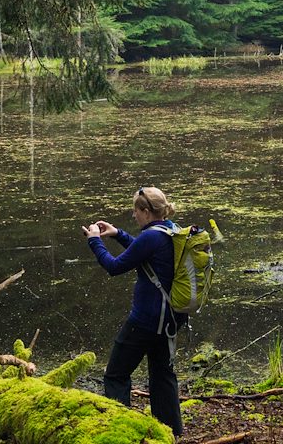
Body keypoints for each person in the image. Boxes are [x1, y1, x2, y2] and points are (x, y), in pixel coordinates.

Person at [82, 186, 186, 437]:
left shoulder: (151, 237)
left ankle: (123, 433)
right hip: (170, 319)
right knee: (162, 376)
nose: (133, 215)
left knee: (116, 375)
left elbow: (116, 266)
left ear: (147, 212)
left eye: (136, 211)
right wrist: (118, 234)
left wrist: (95, 241)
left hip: (146, 321)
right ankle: (170, 433)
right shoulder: (171, 230)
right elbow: (143, 251)